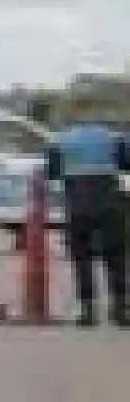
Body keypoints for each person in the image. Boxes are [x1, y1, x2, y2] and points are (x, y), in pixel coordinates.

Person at [45, 94, 130, 328]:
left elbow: (51, 172)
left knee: (82, 257)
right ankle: (121, 310)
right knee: (116, 256)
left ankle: (88, 312)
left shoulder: (60, 140)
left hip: (78, 201)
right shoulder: (114, 138)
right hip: (109, 199)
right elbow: (126, 164)